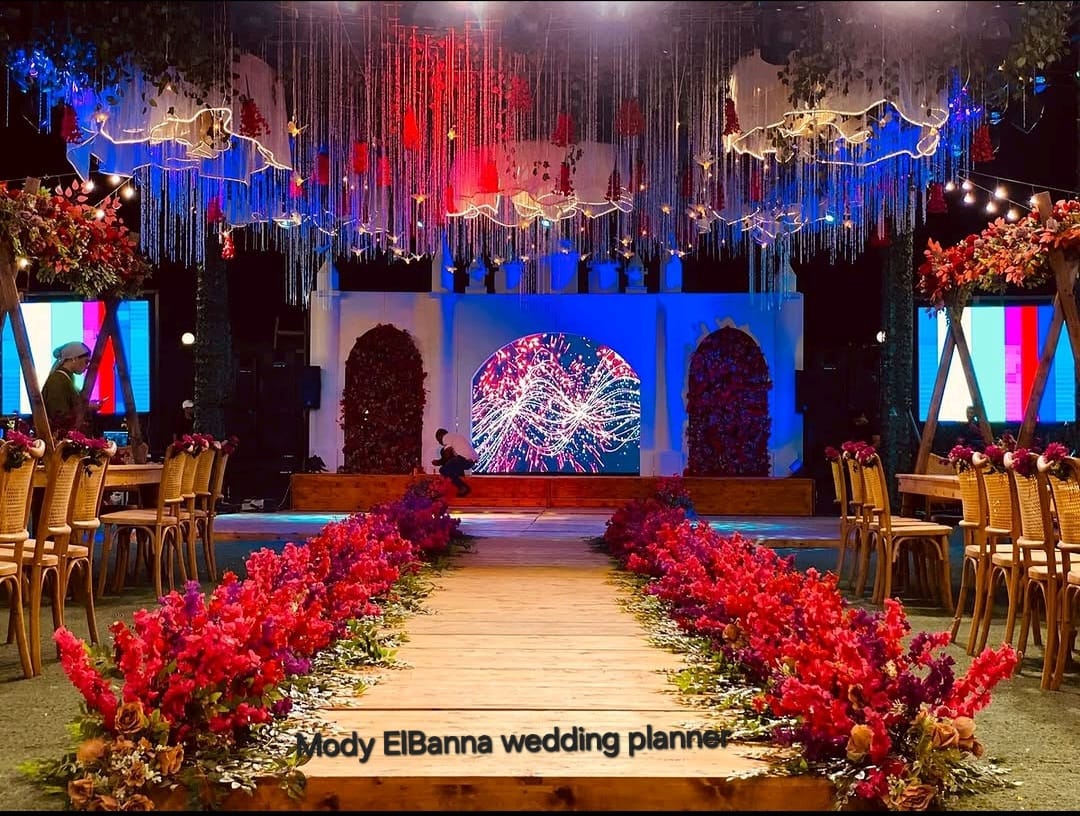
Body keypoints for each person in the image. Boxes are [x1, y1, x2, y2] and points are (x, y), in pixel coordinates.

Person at [41, 341, 98, 437]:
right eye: (86, 361)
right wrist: (86, 407)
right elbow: (58, 415)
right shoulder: (58, 380)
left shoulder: (66, 379)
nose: (87, 366)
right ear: (74, 358)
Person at [433, 427, 477, 497]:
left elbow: (447, 455)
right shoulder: (455, 437)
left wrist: (438, 462)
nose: (439, 443)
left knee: (443, 470)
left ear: (440, 436)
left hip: (464, 459)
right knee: (452, 464)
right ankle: (461, 479)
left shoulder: (446, 437)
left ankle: (463, 487)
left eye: (438, 440)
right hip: (471, 461)